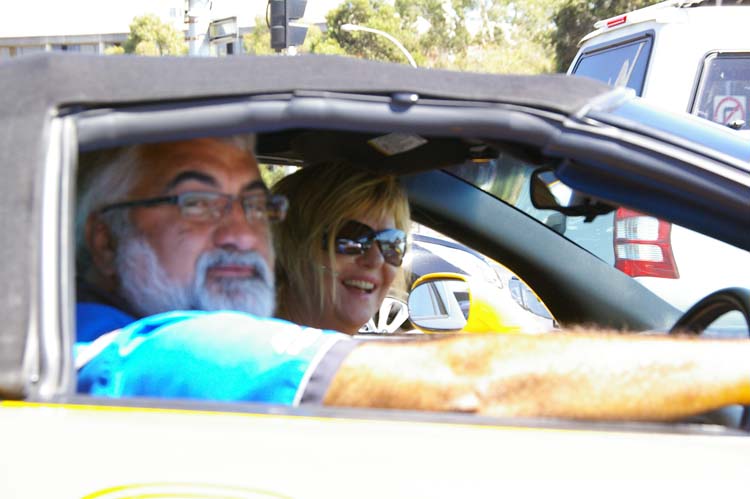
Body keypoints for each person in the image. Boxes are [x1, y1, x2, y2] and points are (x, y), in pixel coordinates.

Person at [75, 134, 750, 420]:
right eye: (197, 203)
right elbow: (471, 383)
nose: (241, 231)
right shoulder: (163, 351)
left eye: (255, 206)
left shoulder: (97, 336)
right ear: (105, 240)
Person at [271, 163, 410, 334]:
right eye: (353, 236)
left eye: (391, 243)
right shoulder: (250, 344)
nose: (377, 259)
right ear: (289, 246)